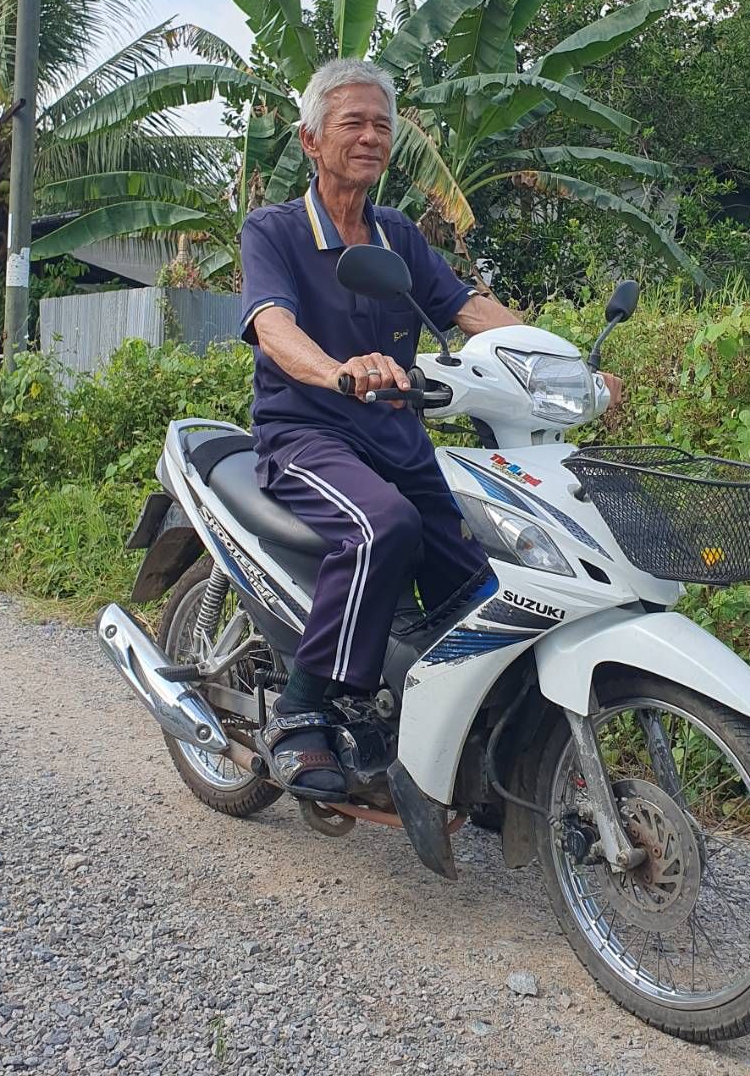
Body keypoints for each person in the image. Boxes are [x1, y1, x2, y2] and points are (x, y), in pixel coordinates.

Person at [239, 58, 621, 798]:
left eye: (382, 125)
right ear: (311, 140)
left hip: (399, 439)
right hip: (308, 435)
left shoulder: (395, 235)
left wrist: (569, 371)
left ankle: (455, 726)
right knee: (384, 526)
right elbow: (273, 325)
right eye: (353, 122)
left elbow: (468, 310)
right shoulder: (275, 230)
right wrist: (338, 370)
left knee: (483, 575)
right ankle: (301, 708)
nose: (372, 137)